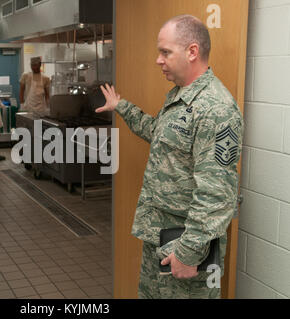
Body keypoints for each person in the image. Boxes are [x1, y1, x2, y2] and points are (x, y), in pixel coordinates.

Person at [96, 15, 243, 299]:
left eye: (165, 52)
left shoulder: (216, 109)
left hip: (188, 245)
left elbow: (217, 195)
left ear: (192, 51)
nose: (158, 60)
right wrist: (121, 107)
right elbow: (160, 133)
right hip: (162, 236)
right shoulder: (180, 95)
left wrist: (189, 253)